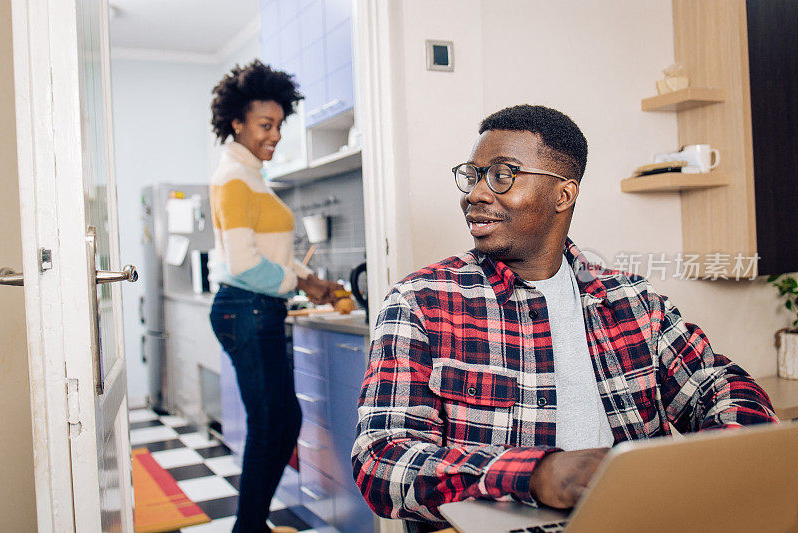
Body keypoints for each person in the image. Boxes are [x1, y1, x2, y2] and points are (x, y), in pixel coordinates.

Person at [351, 104, 778, 532]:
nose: (475, 194)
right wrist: (536, 475)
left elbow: (716, 383)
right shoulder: (421, 302)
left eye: (502, 175)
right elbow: (381, 460)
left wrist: (728, 455)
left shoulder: (632, 300)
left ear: (564, 194)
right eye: (473, 175)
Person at [208, 60, 342, 533]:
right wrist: (301, 282)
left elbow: (267, 252)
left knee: (282, 420)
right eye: (266, 125)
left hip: (255, 309)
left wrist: (308, 278)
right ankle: (248, 529)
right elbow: (244, 263)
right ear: (237, 123)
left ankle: (253, 525)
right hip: (245, 309)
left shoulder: (249, 175)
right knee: (272, 424)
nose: (276, 134)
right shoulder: (232, 179)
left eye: (279, 124)